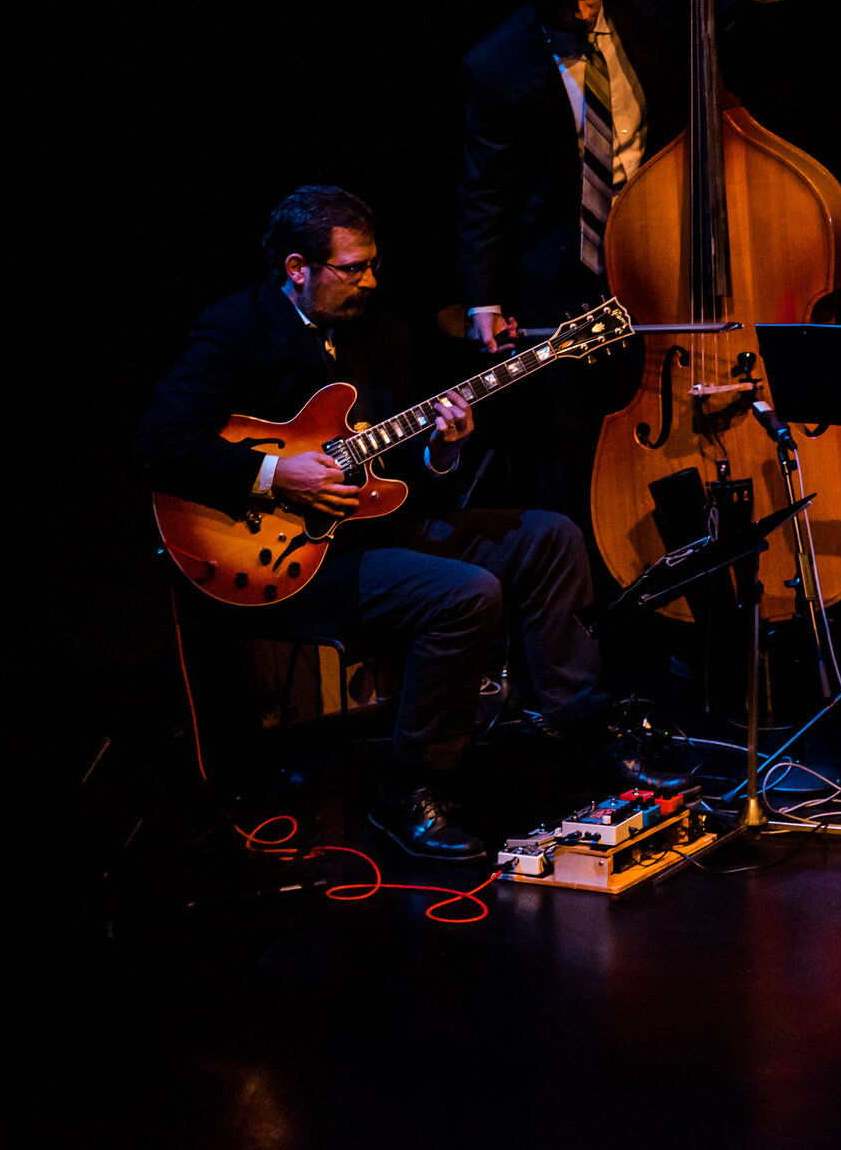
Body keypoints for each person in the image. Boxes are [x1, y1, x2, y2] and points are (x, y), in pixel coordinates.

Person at [137, 186, 603, 860]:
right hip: (286, 562)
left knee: (550, 537)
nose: (371, 281)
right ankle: (411, 787)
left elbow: (403, 474)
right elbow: (158, 445)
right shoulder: (234, 328)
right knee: (466, 593)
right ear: (298, 268)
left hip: (374, 534)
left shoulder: (383, 336)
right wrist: (275, 474)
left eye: (372, 265)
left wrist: (443, 449)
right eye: (353, 268)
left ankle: (577, 731)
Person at [457, 0, 787, 517]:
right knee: (566, 442)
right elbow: (487, 189)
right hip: (567, 267)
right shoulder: (497, 64)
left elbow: (756, 45)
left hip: (668, 248)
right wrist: (484, 299)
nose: (582, 11)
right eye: (561, 4)